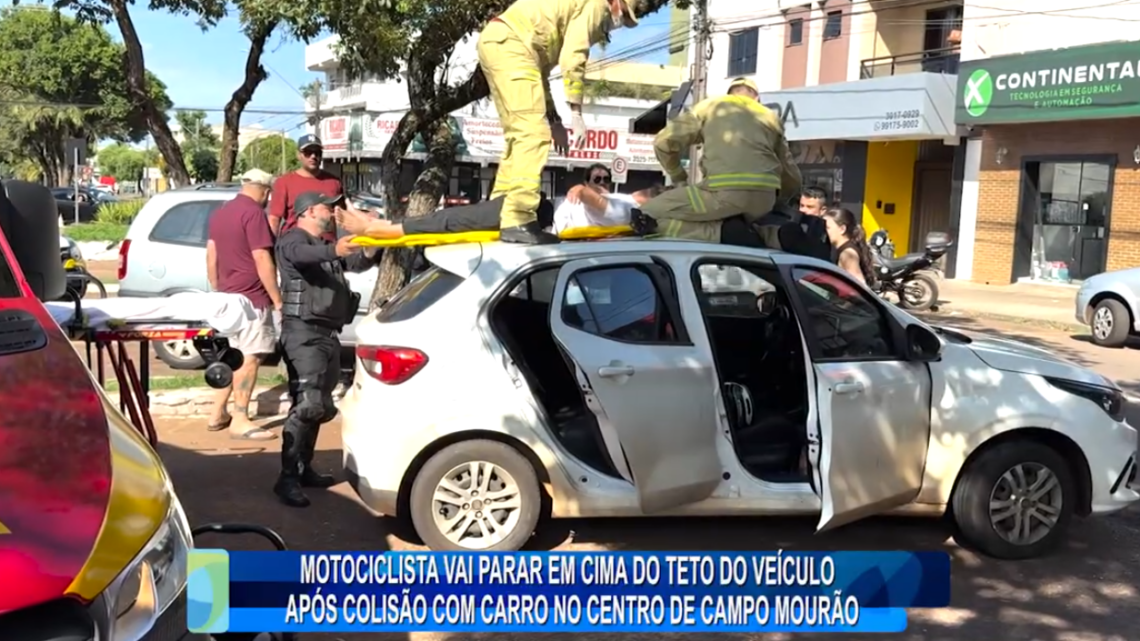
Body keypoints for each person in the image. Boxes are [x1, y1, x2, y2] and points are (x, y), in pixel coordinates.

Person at [476, 0, 644, 245]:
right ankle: (517, 217)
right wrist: (576, 112)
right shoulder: (597, 6)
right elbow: (574, 56)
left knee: (519, 135)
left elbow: (539, 77)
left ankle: (497, 212)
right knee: (532, 136)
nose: (617, 25)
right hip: (511, 44)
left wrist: (555, 121)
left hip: (500, 42)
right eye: (623, 16)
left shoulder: (565, 12)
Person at [274, 191, 381, 507]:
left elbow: (356, 261)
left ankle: (304, 468)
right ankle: (287, 479)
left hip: (327, 335)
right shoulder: (293, 240)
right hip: (303, 333)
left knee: (319, 406)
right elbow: (301, 256)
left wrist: (372, 236)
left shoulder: (324, 246)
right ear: (307, 212)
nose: (331, 211)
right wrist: (335, 247)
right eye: (326, 207)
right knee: (306, 405)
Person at [637, 77, 801, 242]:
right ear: (757, 98)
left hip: (721, 195)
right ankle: (772, 237)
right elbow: (791, 175)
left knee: (645, 216)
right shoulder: (771, 117)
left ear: (729, 94)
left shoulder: (712, 106)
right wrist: (780, 201)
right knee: (736, 223)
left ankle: (720, 234)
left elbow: (663, 142)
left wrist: (678, 177)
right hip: (764, 200)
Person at [205, 169, 282, 441]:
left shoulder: (221, 213)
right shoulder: (253, 214)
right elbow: (262, 258)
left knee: (231, 355)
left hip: (227, 297)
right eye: (268, 193)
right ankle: (240, 418)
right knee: (250, 358)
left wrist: (218, 286)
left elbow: (211, 254)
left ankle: (217, 413)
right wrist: (277, 299)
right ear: (264, 190)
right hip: (251, 299)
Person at [268, 134, 343, 240]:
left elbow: (343, 215)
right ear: (298, 155)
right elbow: (274, 219)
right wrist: (271, 250)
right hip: (295, 248)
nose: (313, 156)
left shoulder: (334, 182)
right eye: (308, 152)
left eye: (317, 152)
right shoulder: (284, 182)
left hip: (328, 249)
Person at [822, 207, 876, 285]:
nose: (824, 231)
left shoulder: (847, 254)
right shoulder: (843, 250)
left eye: (827, 228)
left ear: (842, 229)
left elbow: (860, 286)